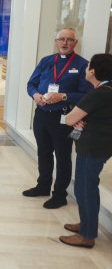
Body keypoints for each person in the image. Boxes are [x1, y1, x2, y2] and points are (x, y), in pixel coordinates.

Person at [25, 28, 91, 209]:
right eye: (61, 39)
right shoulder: (46, 61)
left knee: (62, 156)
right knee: (43, 152)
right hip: (41, 115)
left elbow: (86, 94)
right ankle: (43, 186)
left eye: (69, 40)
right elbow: (31, 84)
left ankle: (60, 194)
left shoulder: (82, 65)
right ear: (55, 41)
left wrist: (63, 96)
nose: (64, 43)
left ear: (75, 43)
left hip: (64, 117)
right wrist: (36, 95)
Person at [60, 54, 112, 249]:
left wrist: (76, 118)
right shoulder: (107, 90)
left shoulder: (99, 93)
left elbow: (70, 119)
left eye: (88, 65)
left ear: (93, 71)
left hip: (93, 146)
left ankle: (87, 235)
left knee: (85, 188)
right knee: (87, 186)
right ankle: (87, 224)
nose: (86, 68)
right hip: (100, 145)